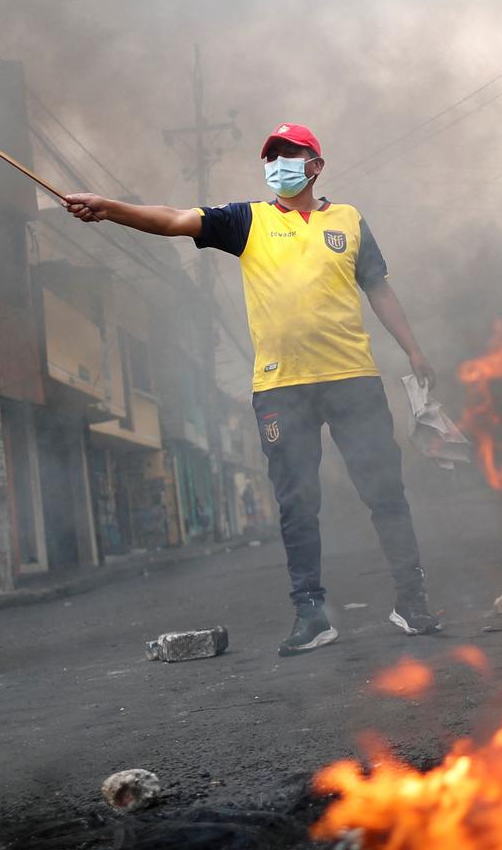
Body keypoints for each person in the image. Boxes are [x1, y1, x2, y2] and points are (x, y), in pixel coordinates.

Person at [62, 121, 443, 656]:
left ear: (315, 165)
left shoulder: (350, 221)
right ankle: (311, 614)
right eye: (272, 157)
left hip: (353, 378)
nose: (279, 165)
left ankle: (412, 600)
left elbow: (377, 287)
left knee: (385, 492)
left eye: (290, 155)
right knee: (296, 504)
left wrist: (414, 349)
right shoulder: (248, 220)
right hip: (281, 387)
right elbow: (174, 219)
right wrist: (109, 207)